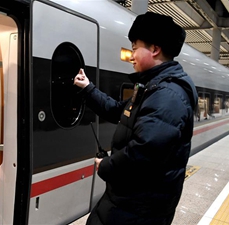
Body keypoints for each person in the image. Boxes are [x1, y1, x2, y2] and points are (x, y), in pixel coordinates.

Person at [74, 12, 198, 225]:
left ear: (154, 49)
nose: (131, 56)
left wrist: (106, 166)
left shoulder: (167, 96)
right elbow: (117, 111)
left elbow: (144, 152)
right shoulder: (152, 89)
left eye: (134, 49)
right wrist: (88, 89)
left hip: (141, 208)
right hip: (131, 201)